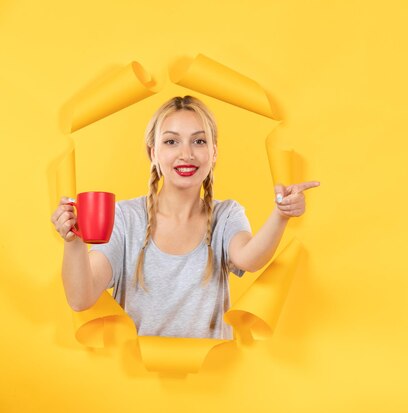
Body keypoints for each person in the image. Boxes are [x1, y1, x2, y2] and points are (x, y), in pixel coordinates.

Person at [50, 95, 319, 339]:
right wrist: (74, 241)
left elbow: (249, 258)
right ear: (153, 153)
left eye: (199, 141)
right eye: (171, 141)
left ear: (214, 153)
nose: (186, 154)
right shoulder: (124, 218)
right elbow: (80, 298)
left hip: (209, 382)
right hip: (134, 385)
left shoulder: (226, 216)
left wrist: (281, 214)